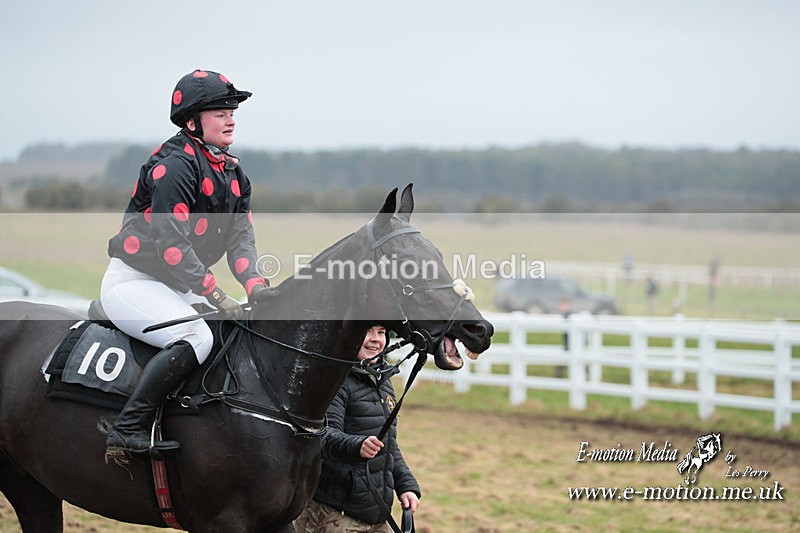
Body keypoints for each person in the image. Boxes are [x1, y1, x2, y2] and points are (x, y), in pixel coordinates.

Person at [100, 69, 272, 455]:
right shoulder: (175, 165)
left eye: (232, 111)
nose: (230, 119)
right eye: (220, 112)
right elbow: (171, 245)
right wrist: (216, 293)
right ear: (192, 121)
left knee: (231, 339)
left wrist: (256, 287)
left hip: (177, 287)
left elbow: (241, 238)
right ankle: (127, 429)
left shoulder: (233, 172)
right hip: (134, 283)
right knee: (195, 337)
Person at [294, 325, 421, 533]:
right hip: (335, 513)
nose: (375, 339)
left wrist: (406, 485)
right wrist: (357, 446)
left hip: (377, 512)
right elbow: (322, 436)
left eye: (381, 332)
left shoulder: (382, 381)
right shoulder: (334, 380)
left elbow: (387, 443)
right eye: (367, 331)